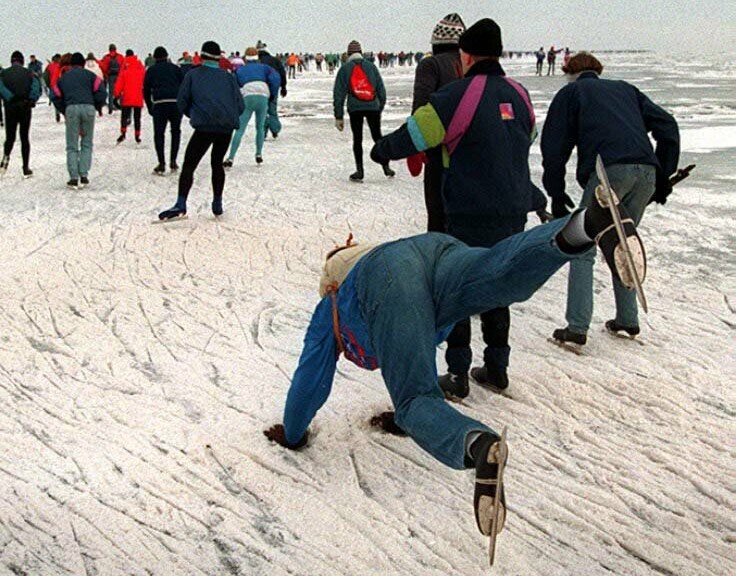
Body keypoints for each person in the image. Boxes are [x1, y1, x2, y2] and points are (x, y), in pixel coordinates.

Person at [264, 182, 647, 544]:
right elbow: (415, 340)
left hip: (391, 277)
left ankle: (477, 446)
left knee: (415, 401)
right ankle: (584, 225)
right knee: (501, 274)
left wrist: (293, 433)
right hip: (434, 249)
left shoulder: (333, 302)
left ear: (333, 280)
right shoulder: (381, 274)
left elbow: (310, 380)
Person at [370, 19, 540, 398]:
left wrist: (380, 149)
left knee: (457, 285)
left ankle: (458, 373)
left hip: (465, 210)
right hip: (513, 209)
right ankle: (497, 367)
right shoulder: (521, 94)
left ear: (465, 55)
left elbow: (414, 135)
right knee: (499, 281)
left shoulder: (454, 98)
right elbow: (527, 136)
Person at [542, 52, 680, 347]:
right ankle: (627, 319)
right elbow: (667, 126)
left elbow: (554, 146)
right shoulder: (626, 89)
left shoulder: (571, 93)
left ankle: (577, 327)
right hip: (645, 172)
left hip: (608, 173)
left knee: (581, 246)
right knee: (623, 240)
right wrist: (664, 175)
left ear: (569, 71)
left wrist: (555, 192)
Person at [157, 41, 243, 221]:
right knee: (217, 163)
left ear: (202, 56)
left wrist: (194, 114)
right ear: (219, 58)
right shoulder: (228, 77)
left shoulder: (192, 75)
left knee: (189, 164)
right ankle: (217, 203)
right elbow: (240, 106)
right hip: (226, 127)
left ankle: (181, 203)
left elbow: (182, 102)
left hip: (204, 126)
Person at [412, 13, 467, 231]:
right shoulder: (471, 66)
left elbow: (421, 111)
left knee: (438, 217)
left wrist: (415, 147)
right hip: (472, 154)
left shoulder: (430, 65)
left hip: (439, 153)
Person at [333, 40, 393, 183]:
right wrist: (379, 106)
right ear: (361, 52)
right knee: (377, 136)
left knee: (357, 139)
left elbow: (338, 94)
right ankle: (386, 166)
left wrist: (339, 116)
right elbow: (381, 90)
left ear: (348, 54)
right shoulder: (371, 67)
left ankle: (359, 171)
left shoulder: (344, 69)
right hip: (373, 107)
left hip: (355, 108)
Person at [53, 52, 108, 188]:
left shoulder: (64, 77)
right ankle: (83, 174)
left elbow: (54, 93)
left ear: (71, 64)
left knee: (72, 145)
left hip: (71, 108)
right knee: (87, 142)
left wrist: (63, 109)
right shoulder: (91, 76)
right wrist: (96, 105)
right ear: (83, 64)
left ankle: (73, 177)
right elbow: (102, 91)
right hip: (88, 108)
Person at [224, 47, 280, 168]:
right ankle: (258, 154)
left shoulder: (241, 70)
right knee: (260, 127)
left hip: (247, 96)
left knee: (240, 129)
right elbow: (275, 79)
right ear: (257, 57)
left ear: (246, 58)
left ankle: (231, 157)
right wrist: (272, 94)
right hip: (263, 96)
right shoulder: (266, 68)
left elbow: (234, 83)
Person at [0, 51, 41, 178]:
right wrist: (32, 100)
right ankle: (25, 167)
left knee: (10, 137)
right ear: (22, 61)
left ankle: (6, 157)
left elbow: (0, 87)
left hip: (10, 108)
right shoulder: (29, 73)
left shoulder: (4, 73)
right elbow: (36, 87)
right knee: (24, 137)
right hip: (25, 107)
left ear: (11, 61)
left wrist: (10, 98)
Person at [144, 46, 186, 174]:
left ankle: (161, 163)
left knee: (159, 134)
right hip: (175, 103)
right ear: (167, 56)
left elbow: (146, 90)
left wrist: (149, 106)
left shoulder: (151, 70)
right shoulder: (175, 69)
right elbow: (184, 86)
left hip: (159, 103)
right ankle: (173, 161)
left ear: (155, 58)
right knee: (175, 132)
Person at [114, 49, 145, 144]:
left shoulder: (125, 67)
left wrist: (116, 94)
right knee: (137, 117)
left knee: (124, 116)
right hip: (138, 96)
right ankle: (137, 135)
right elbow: (145, 79)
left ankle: (123, 133)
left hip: (127, 96)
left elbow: (120, 81)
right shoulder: (140, 66)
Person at [257, 42, 287, 138]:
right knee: (272, 108)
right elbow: (282, 73)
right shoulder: (275, 60)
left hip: (261, 88)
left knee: (262, 110)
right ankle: (275, 129)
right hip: (274, 87)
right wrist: (283, 86)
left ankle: (263, 131)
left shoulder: (257, 62)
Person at [100, 44, 125, 114]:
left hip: (110, 76)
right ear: (115, 49)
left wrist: (106, 74)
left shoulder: (106, 57)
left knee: (111, 92)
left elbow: (104, 67)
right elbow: (123, 66)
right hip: (118, 76)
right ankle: (121, 105)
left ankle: (110, 108)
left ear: (109, 49)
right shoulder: (120, 57)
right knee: (120, 91)